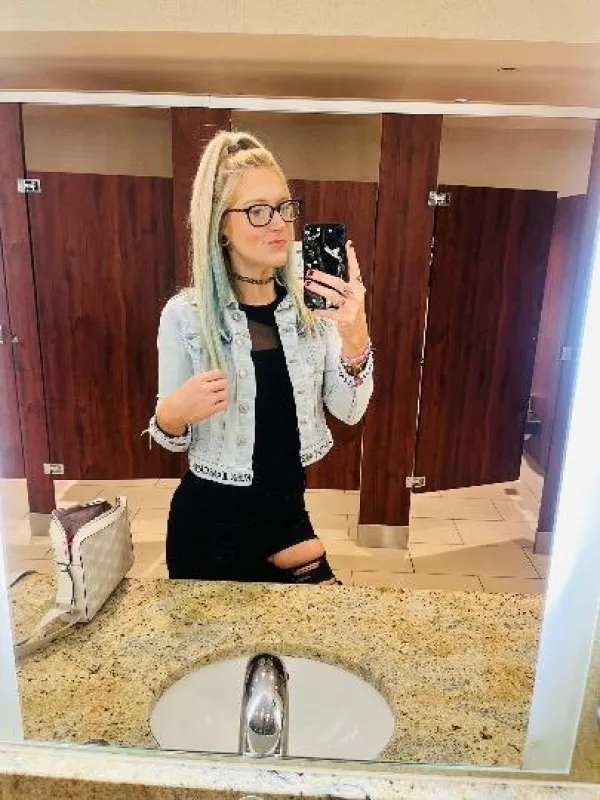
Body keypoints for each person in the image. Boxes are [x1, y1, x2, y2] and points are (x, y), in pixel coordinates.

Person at [146, 130, 374, 584]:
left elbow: (349, 411)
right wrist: (173, 414)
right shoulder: (186, 316)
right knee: (220, 637)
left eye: (284, 207)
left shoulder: (312, 311)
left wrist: (355, 333)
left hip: (287, 519)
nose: (278, 224)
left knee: (331, 625)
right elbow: (169, 439)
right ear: (220, 227)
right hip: (209, 531)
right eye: (257, 210)